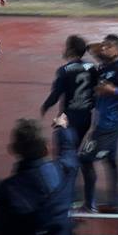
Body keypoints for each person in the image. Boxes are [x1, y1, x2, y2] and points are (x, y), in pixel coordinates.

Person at [0, 116, 81, 235]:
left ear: (14, 150)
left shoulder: (8, 190)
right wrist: (62, 128)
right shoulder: (63, 172)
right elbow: (69, 153)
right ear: (46, 148)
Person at [79, 34, 118, 212]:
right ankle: (116, 202)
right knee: (111, 161)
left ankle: (89, 204)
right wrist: (103, 46)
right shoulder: (105, 65)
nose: (104, 49)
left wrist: (113, 90)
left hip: (108, 127)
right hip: (104, 124)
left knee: (85, 159)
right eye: (104, 46)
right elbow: (90, 47)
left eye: (109, 46)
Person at [41, 35, 98, 174]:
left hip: (68, 117)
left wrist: (45, 106)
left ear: (71, 50)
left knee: (62, 152)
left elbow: (56, 94)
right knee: (74, 149)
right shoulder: (92, 68)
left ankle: (63, 180)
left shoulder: (64, 70)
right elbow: (96, 90)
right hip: (86, 116)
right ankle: (73, 175)